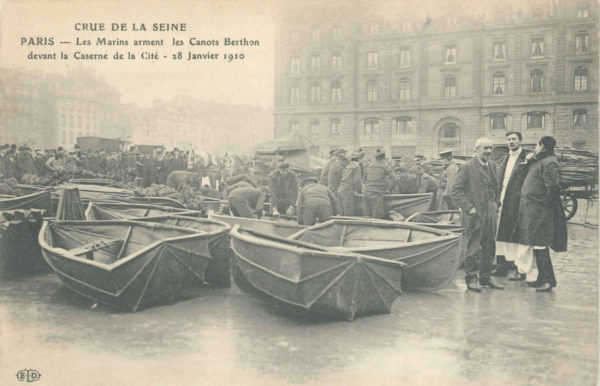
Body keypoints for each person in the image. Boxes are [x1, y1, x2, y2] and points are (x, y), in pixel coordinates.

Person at [451, 137, 504, 292]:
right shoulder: (467, 167)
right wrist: (469, 208)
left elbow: (497, 187)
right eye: (485, 148)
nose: (488, 151)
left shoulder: (493, 166)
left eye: (490, 148)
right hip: (474, 213)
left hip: (490, 211)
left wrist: (496, 204)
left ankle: (486, 278)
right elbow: (456, 191)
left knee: (490, 245)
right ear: (476, 150)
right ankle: (471, 278)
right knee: (473, 247)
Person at [516, 136, 567, 292]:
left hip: (541, 212)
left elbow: (552, 188)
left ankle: (548, 280)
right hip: (533, 210)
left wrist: (543, 209)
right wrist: (529, 160)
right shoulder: (539, 161)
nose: (535, 148)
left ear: (543, 146)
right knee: (536, 244)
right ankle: (541, 278)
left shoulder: (550, 162)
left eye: (537, 146)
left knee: (540, 244)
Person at [495, 131, 533, 280]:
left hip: (518, 200)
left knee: (517, 234)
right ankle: (501, 266)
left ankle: (519, 268)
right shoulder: (505, 158)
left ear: (520, 141)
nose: (511, 142)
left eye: (514, 139)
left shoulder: (527, 158)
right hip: (503, 198)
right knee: (500, 232)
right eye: (509, 139)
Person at [363, 148, 392, 219]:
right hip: (377, 192)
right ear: (383, 158)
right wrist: (388, 189)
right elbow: (393, 178)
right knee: (377, 215)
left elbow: (364, 179)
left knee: (367, 214)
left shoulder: (368, 166)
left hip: (366, 192)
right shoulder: (384, 166)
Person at [337, 150, 363, 216]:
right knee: (348, 213)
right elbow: (357, 180)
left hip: (340, 190)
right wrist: (359, 191)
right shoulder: (356, 167)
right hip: (347, 191)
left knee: (342, 213)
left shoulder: (347, 167)